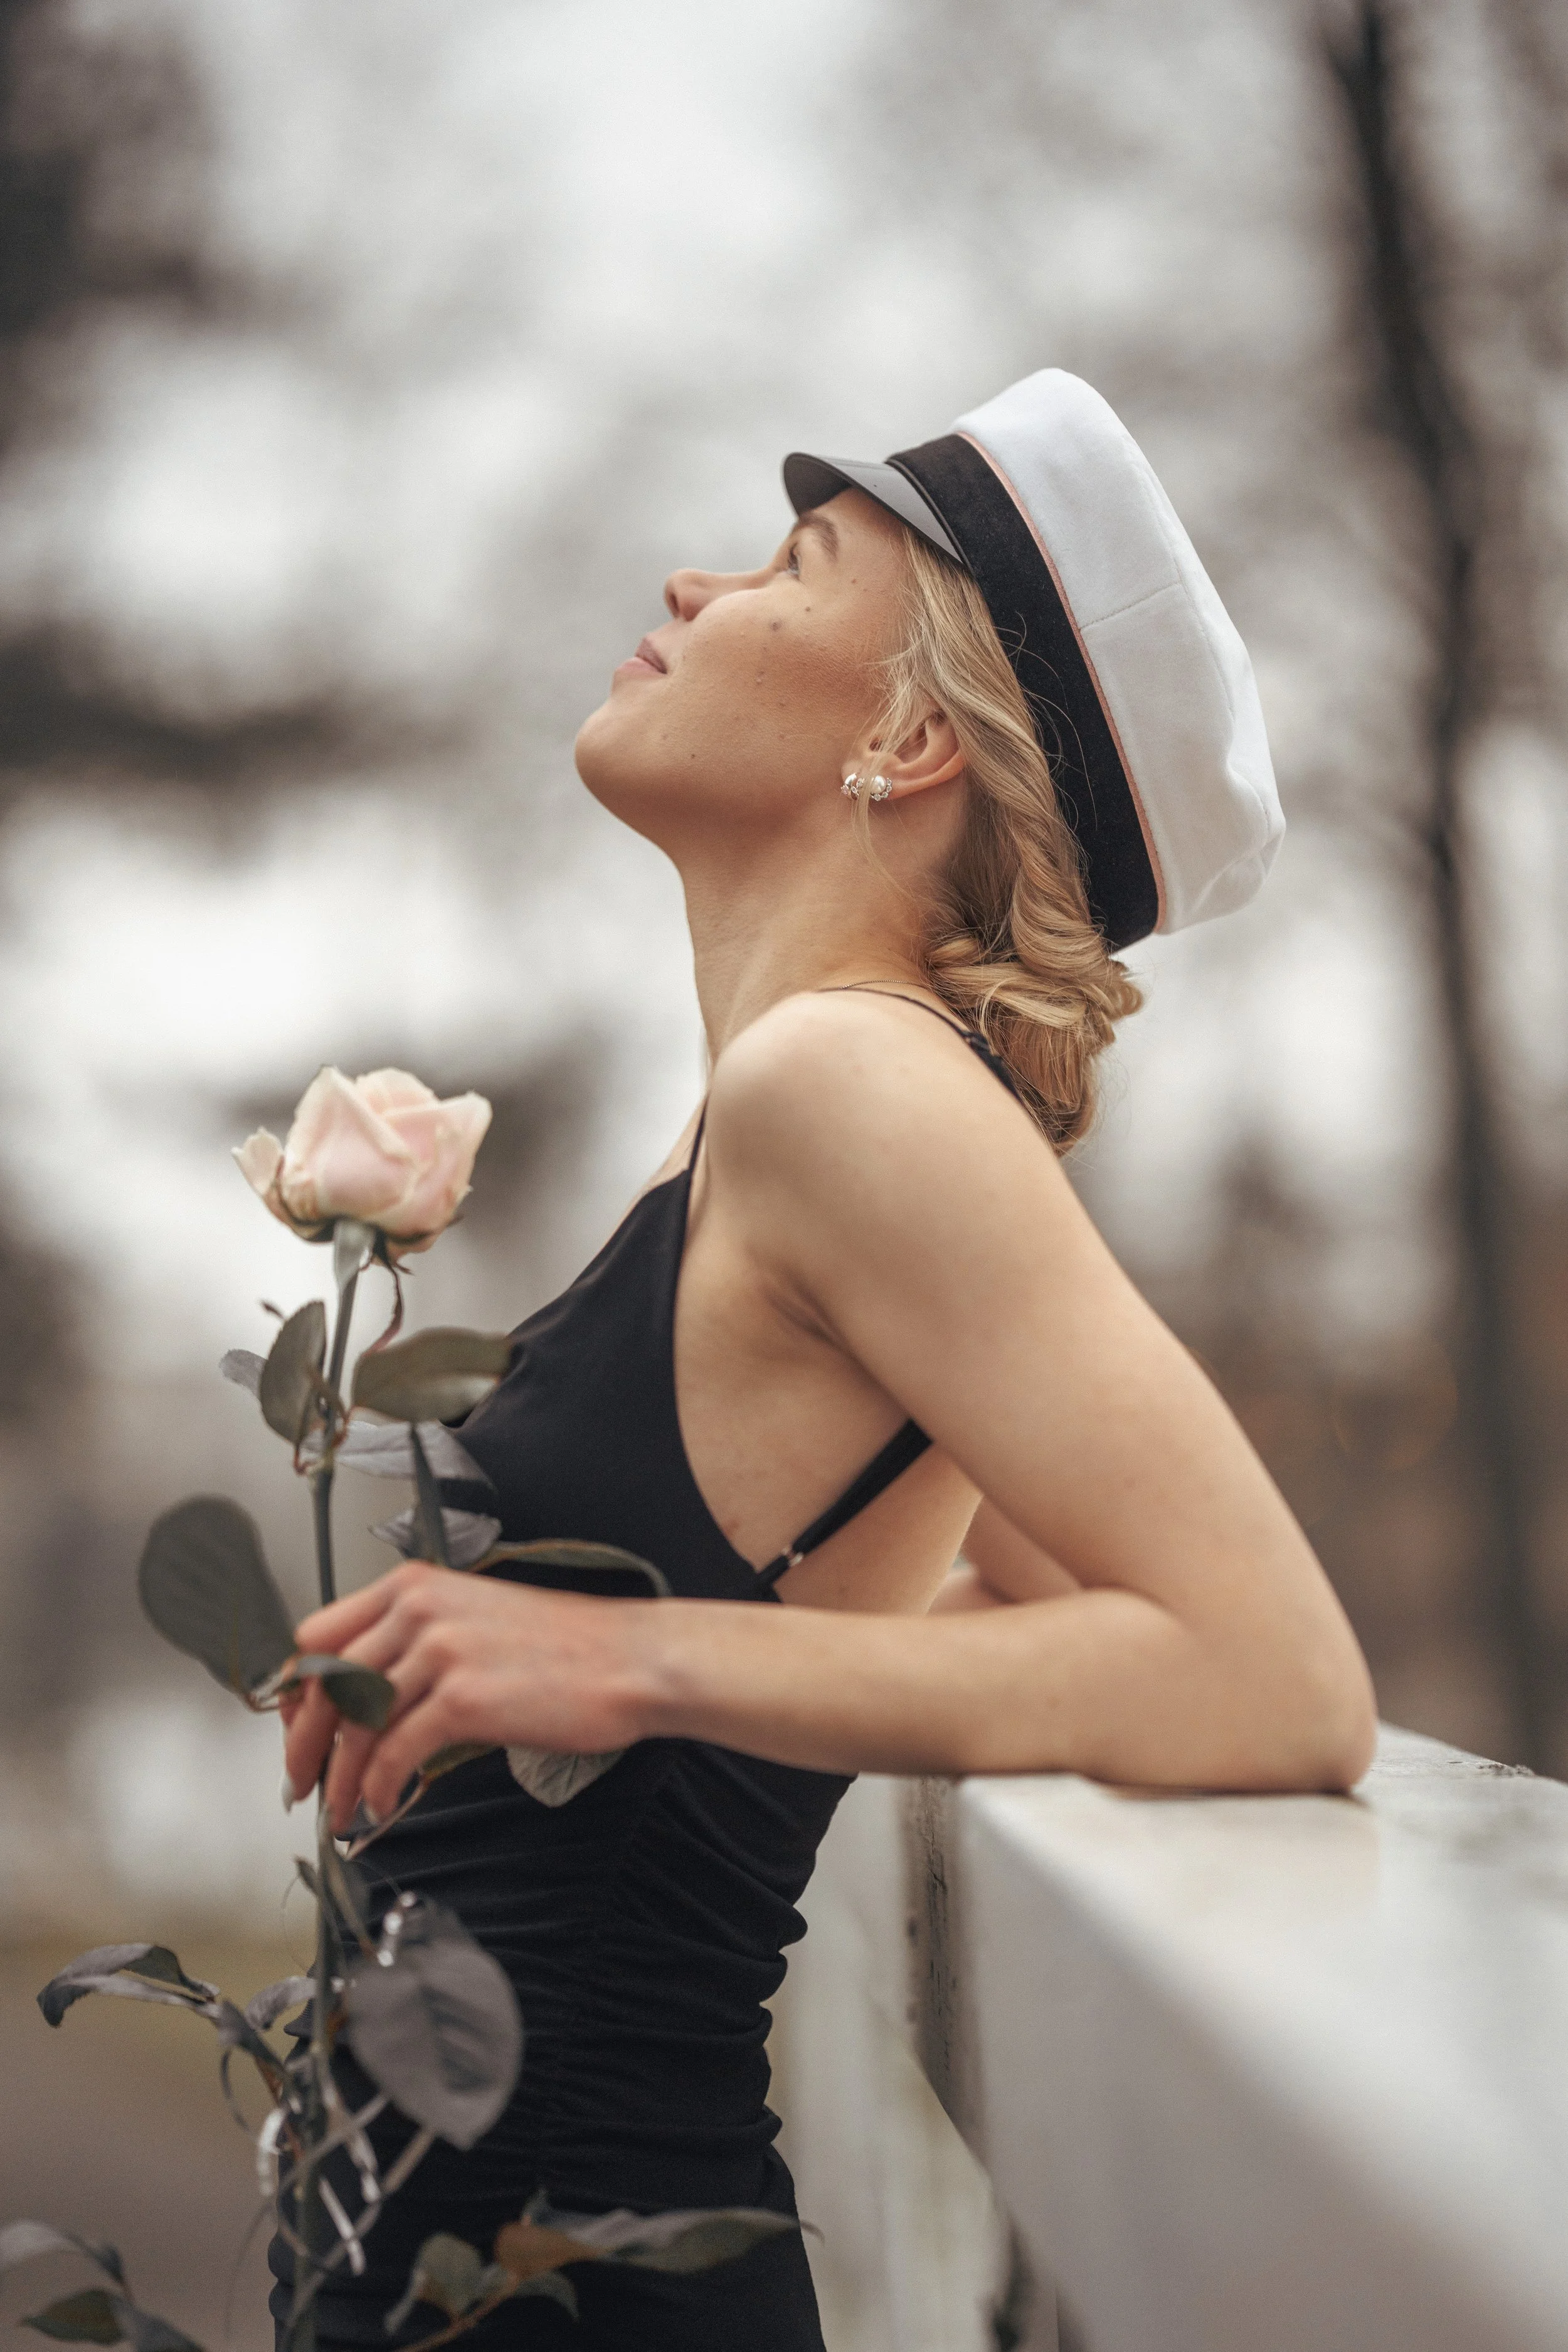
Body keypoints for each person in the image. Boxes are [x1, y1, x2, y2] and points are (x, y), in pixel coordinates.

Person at [273, 369, 1378, 2351]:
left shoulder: (844, 1085)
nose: (692, 582)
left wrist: (627, 1656)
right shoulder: (783, 1122)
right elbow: (1017, 1571)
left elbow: (1273, 1677)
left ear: (911, 730)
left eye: (791, 563)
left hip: (590, 2278)